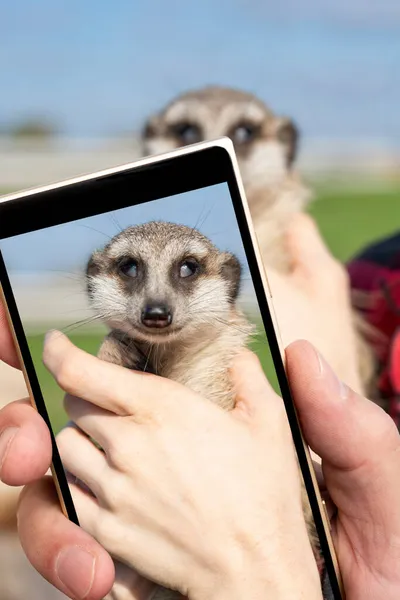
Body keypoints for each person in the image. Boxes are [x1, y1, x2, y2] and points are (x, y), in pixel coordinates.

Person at [2, 214, 400, 599]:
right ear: (96, 281)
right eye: (129, 269)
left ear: (226, 284)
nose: (156, 303)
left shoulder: (250, 400)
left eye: (188, 270)